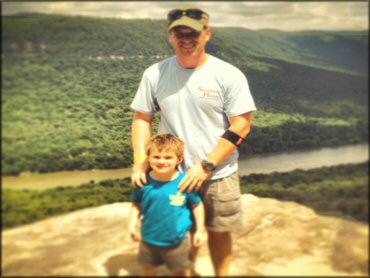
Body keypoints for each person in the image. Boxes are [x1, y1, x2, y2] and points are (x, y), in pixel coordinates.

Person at [130, 6, 256, 276]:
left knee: (218, 232)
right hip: (172, 174)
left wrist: (206, 165)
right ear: (170, 36)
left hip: (219, 172)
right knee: (181, 230)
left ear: (207, 34)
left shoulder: (228, 75)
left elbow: (242, 125)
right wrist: (141, 161)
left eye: (193, 33)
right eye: (179, 33)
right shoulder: (155, 73)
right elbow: (142, 118)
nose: (186, 39)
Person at [128, 133, 205, 277]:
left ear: (179, 159)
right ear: (148, 158)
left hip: (178, 239)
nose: (161, 161)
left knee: (180, 272)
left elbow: (197, 205)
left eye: (168, 157)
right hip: (148, 238)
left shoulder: (185, 182)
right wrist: (131, 226)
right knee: (148, 270)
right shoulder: (143, 182)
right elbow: (136, 205)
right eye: (156, 157)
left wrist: (200, 231)